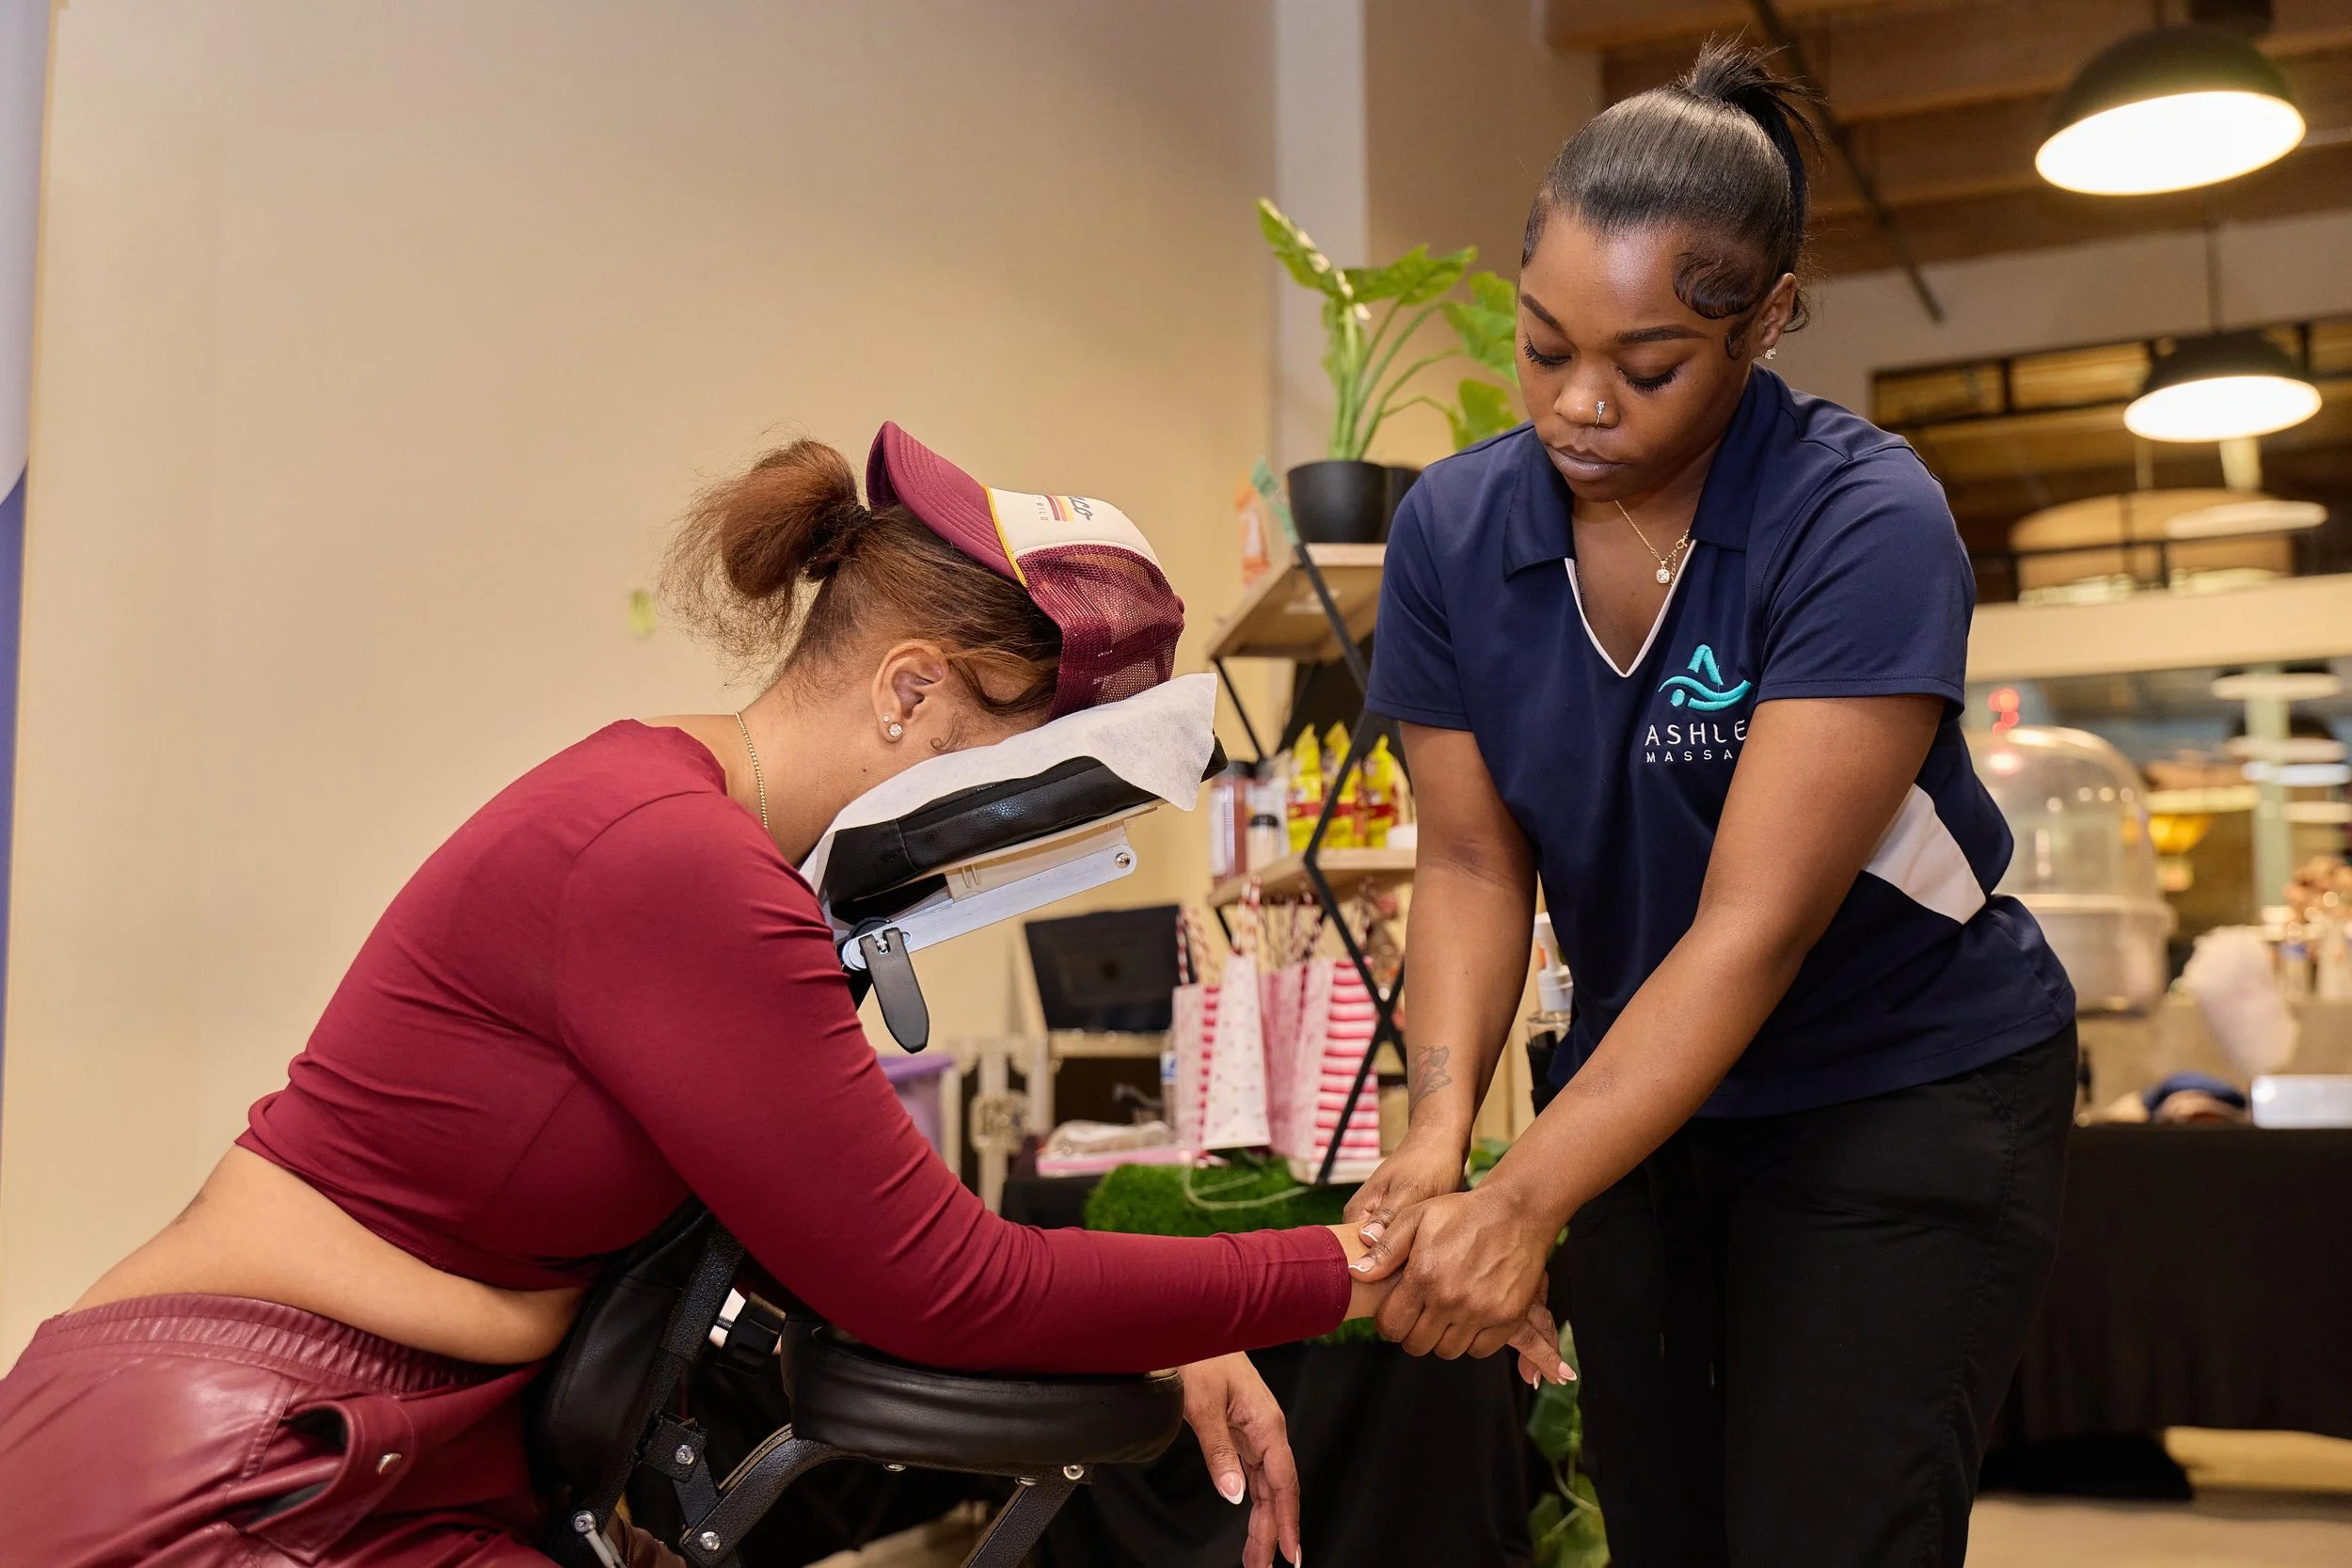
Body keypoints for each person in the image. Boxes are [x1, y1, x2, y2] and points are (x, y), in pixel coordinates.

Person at [0, 422, 1558, 1568]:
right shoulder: (675, 866)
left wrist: (1153, 1325)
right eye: (1021, 776)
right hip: (234, 1468)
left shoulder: (708, 842)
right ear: (910, 689)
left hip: (413, 1459)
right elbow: (941, 1283)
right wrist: (1343, 1272)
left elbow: (861, 1221)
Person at [1344, 41, 2079, 1568]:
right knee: (1666, 1528)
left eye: (1649, 361)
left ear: (1768, 320)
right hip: (1646, 1097)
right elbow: (1476, 861)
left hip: (1897, 1082)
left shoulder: (1860, 522)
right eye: (1546, 348)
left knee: (1824, 1533)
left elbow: (1750, 928)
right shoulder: (1452, 529)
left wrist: (1524, 1195)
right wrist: (1438, 1135)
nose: (1580, 404)